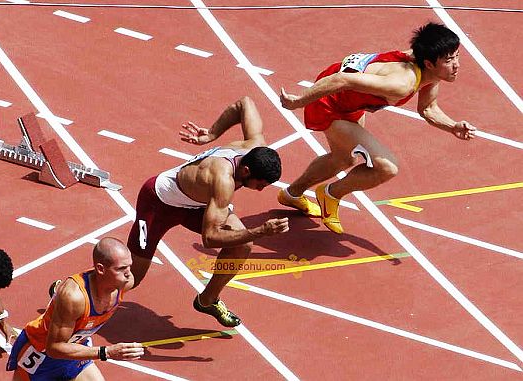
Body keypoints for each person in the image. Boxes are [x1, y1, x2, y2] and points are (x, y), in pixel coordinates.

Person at [278, 22, 477, 234]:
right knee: (387, 167)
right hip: (329, 102)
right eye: (449, 60)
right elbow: (342, 79)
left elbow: (428, 108)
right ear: (428, 63)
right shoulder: (402, 83)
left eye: (456, 56)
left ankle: (292, 194)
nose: (456, 64)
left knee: (343, 159)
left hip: (350, 104)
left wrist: (452, 126)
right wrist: (298, 102)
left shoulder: (429, 68)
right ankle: (330, 194)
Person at [127, 96, 289, 327]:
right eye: (260, 184)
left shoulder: (256, 146)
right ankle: (78, 285)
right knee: (131, 279)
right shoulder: (222, 180)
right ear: (245, 171)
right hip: (159, 203)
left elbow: (245, 103)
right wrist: (261, 230)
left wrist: (212, 133)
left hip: (199, 204)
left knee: (242, 244)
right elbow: (210, 238)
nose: (261, 190)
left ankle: (208, 300)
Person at [7, 237, 144, 380]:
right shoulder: (74, 297)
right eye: (121, 268)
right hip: (40, 354)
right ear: (100, 269)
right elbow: (54, 348)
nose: (128, 274)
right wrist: (106, 352)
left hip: (75, 349)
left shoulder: (125, 283)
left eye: (129, 266)